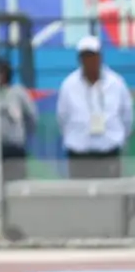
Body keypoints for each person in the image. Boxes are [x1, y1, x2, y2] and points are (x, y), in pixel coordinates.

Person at [55, 36, 131, 179]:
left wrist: (118, 138)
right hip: (79, 153)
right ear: (80, 60)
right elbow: (62, 117)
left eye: (92, 56)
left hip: (109, 152)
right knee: (81, 197)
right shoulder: (69, 85)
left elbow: (126, 116)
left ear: (100, 57)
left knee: (111, 197)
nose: (89, 61)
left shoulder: (116, 83)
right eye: (85, 57)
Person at [0, 58, 39, 181]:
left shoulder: (18, 92)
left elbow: (32, 116)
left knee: (17, 182)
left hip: (15, 148)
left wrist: (24, 136)